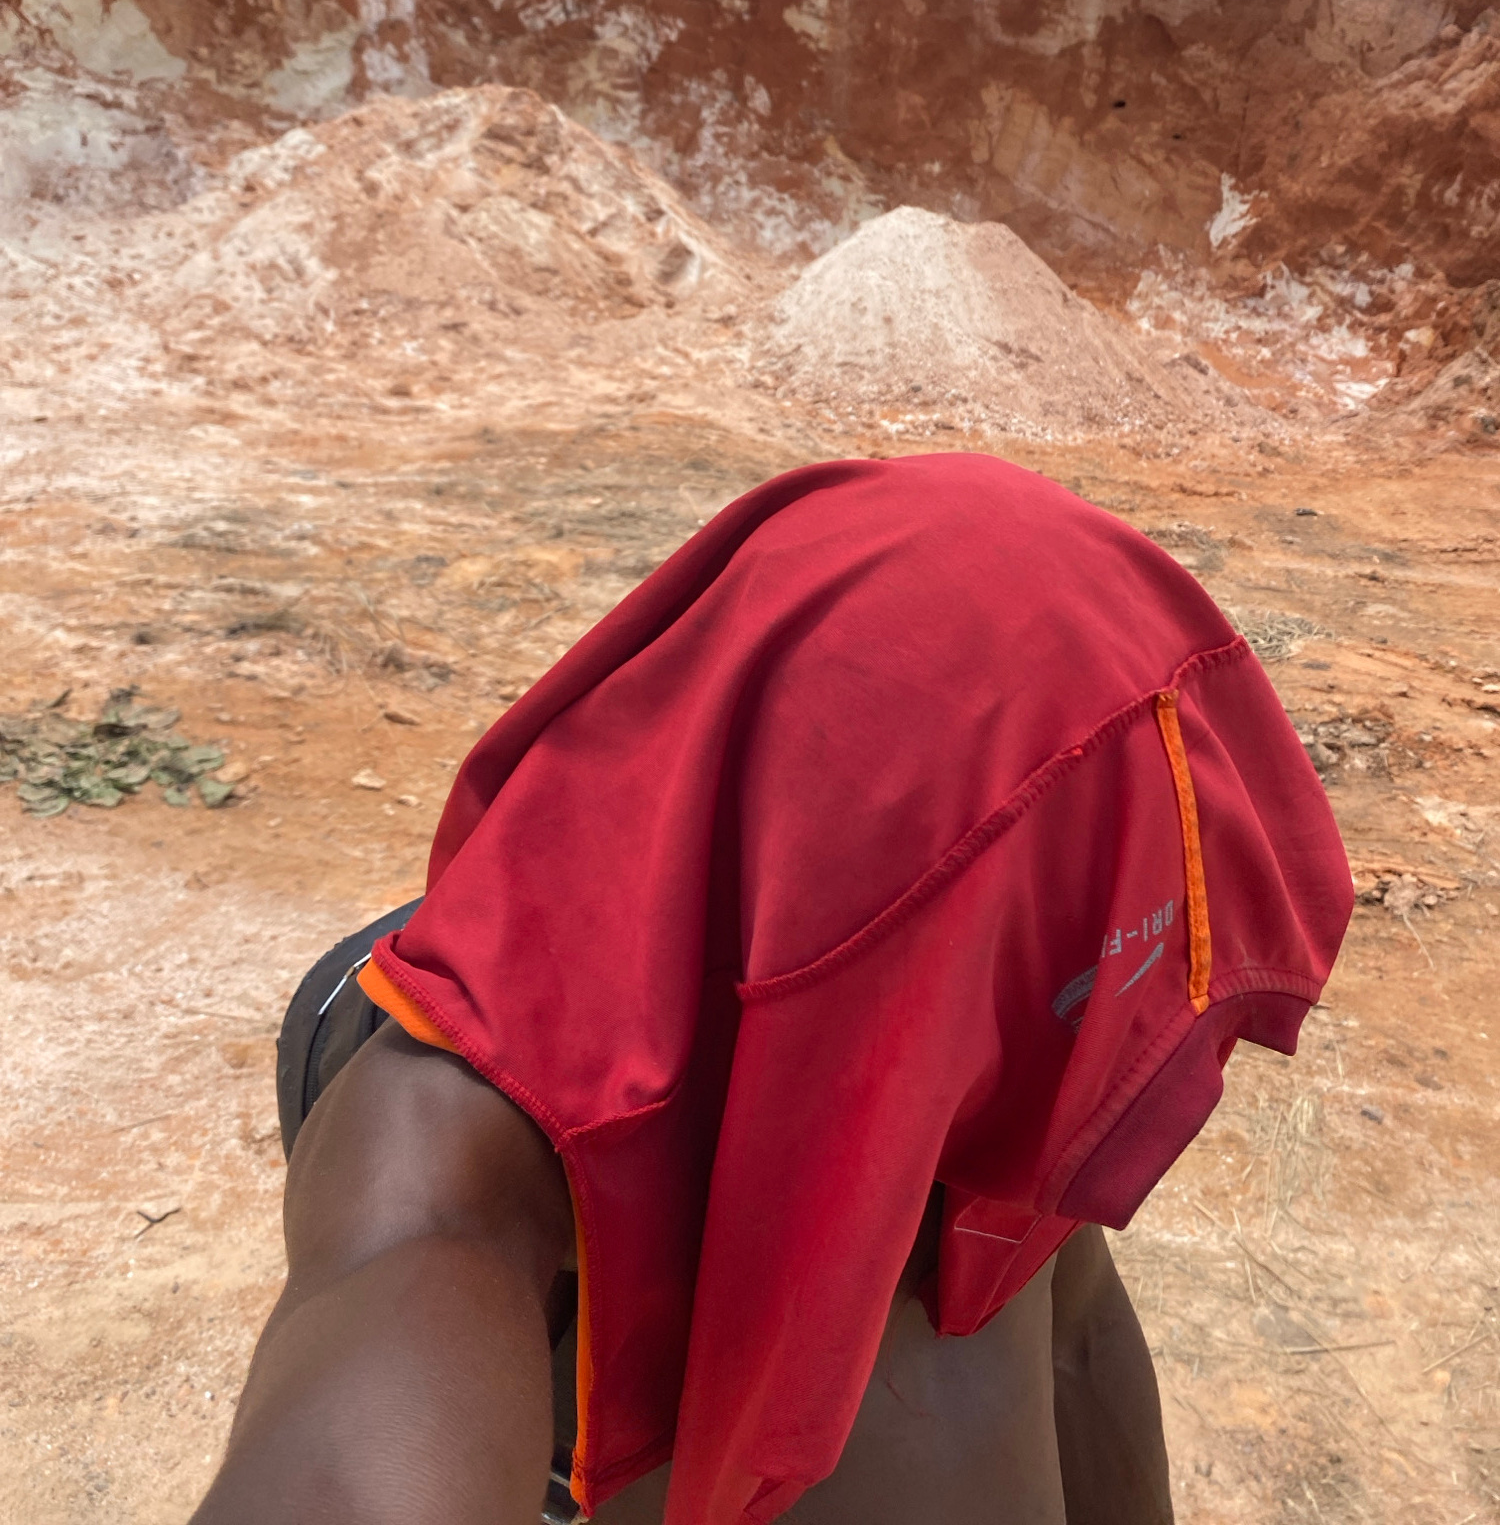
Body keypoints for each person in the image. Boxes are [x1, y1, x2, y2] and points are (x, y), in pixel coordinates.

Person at [192, 453, 1353, 1525]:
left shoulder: (947, 995)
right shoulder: (443, 1186)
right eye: (1076, 981)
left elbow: (1074, 1310)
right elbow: (369, 1412)